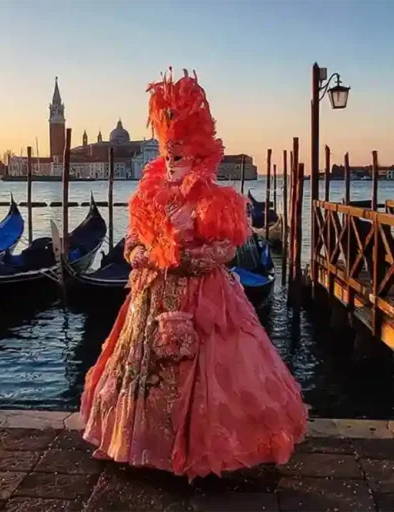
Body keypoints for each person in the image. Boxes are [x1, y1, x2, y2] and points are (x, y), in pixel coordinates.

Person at [80, 69, 307, 480]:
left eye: (179, 156)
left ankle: (200, 449)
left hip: (201, 299)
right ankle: (141, 445)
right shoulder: (147, 197)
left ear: (199, 156)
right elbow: (131, 242)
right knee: (141, 368)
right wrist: (142, 256)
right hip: (150, 297)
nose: (171, 163)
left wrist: (177, 260)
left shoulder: (216, 200)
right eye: (168, 155)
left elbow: (224, 251)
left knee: (206, 369)